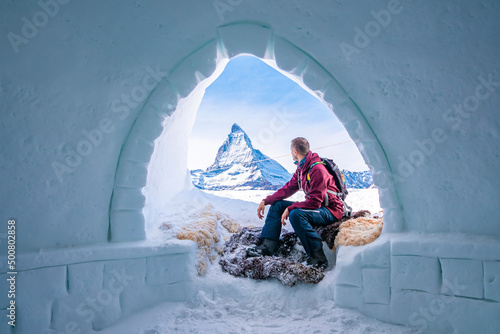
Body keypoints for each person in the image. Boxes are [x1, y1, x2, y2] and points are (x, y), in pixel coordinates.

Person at [246, 137, 344, 268]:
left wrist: (292, 207)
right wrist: (267, 200)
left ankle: (318, 258)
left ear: (295, 151)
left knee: (296, 214)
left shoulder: (317, 169)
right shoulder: (302, 168)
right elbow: (289, 188)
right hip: (317, 207)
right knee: (278, 205)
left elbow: (314, 202)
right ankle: (267, 246)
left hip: (330, 210)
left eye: (291, 150)